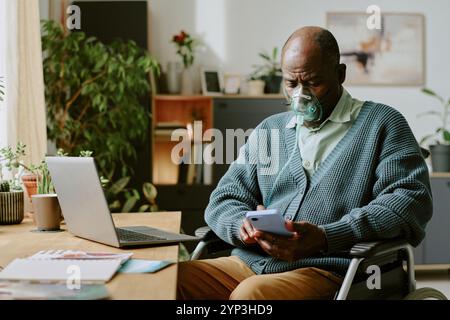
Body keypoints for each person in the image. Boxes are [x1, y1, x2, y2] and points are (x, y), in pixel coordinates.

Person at [177, 26, 432, 300]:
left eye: (312, 82)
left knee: (251, 296)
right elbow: (224, 198)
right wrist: (242, 225)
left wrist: (326, 237)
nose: (301, 95)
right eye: (291, 84)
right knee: (170, 280)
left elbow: (409, 201)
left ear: (340, 74)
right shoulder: (269, 131)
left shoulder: (382, 123)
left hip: (331, 270)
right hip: (248, 263)